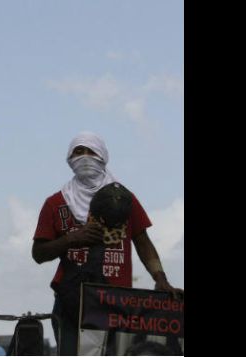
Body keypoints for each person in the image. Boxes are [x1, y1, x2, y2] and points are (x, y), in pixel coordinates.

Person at [31, 132, 182, 356]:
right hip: (73, 303)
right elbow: (38, 253)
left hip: (117, 304)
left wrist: (161, 279)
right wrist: (72, 239)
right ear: (69, 158)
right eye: (78, 152)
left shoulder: (124, 199)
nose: (84, 157)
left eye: (91, 151)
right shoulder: (55, 203)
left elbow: (143, 242)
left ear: (102, 156)